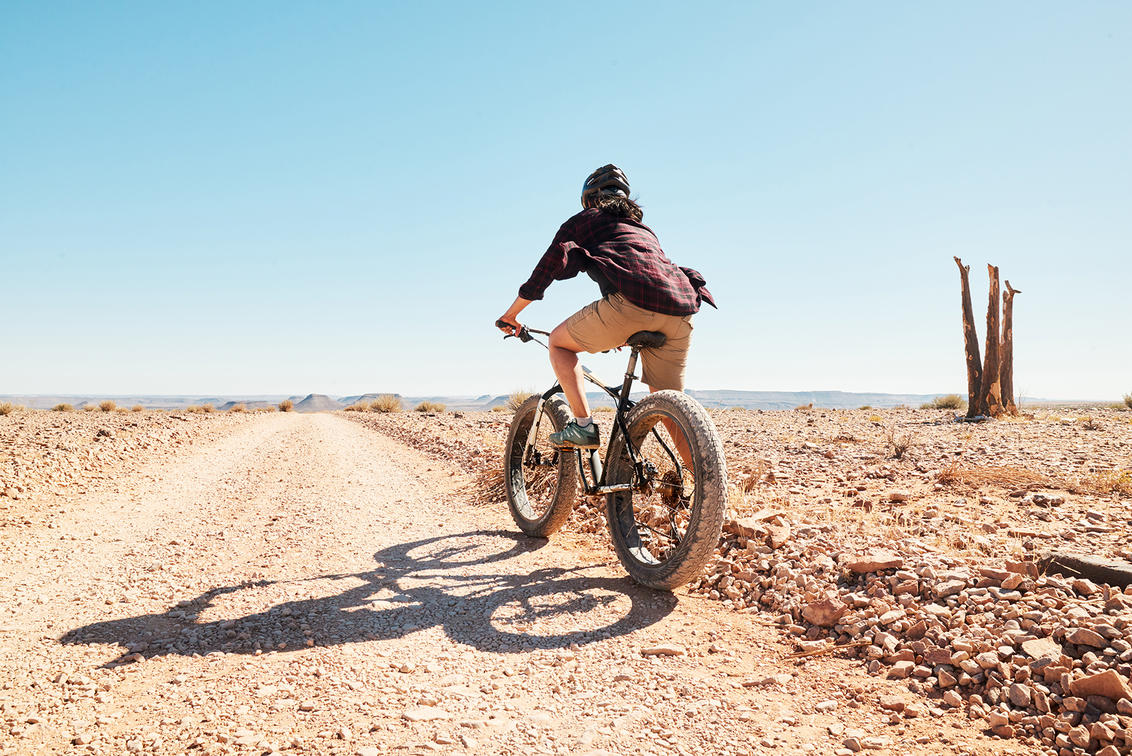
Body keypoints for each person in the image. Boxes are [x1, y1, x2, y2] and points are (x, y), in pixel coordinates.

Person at [496, 164, 715, 456]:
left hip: (631, 307)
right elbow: (645, 274)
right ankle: (700, 480)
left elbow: (547, 268)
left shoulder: (587, 219)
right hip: (681, 309)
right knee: (673, 410)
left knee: (559, 343)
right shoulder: (642, 229)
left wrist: (511, 315)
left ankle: (584, 427)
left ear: (589, 199)